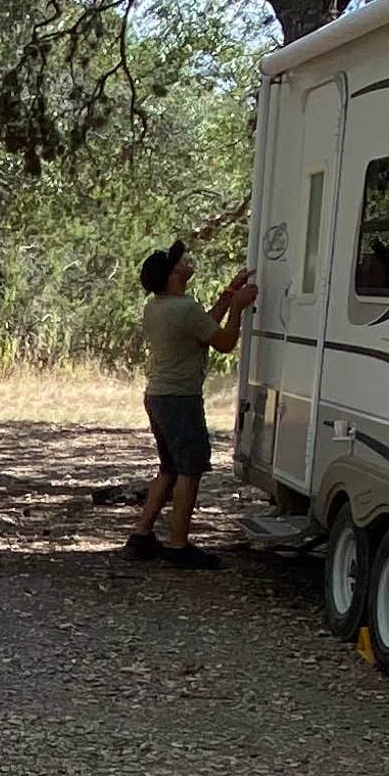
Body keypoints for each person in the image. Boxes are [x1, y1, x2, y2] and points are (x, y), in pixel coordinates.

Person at [126, 242, 256, 567]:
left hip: (158, 395)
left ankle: (141, 535)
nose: (185, 262)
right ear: (172, 275)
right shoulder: (182, 309)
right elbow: (223, 342)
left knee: (170, 468)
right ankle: (178, 545)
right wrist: (239, 308)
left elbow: (203, 325)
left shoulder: (159, 307)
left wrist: (229, 293)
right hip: (180, 399)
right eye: (178, 262)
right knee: (190, 470)